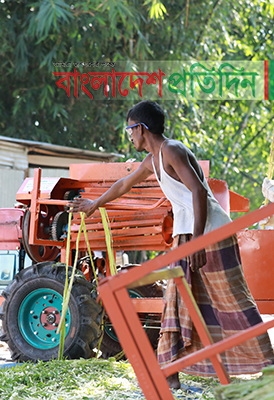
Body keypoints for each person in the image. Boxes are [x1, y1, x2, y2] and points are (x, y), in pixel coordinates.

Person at [70, 100, 274, 388]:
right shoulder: (152, 160)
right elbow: (124, 185)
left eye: (130, 129)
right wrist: (93, 205)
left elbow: (198, 193)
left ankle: (269, 366)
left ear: (141, 128)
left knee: (233, 302)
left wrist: (199, 243)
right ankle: (170, 373)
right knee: (177, 303)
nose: (129, 135)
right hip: (186, 235)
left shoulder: (172, 150)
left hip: (210, 233)